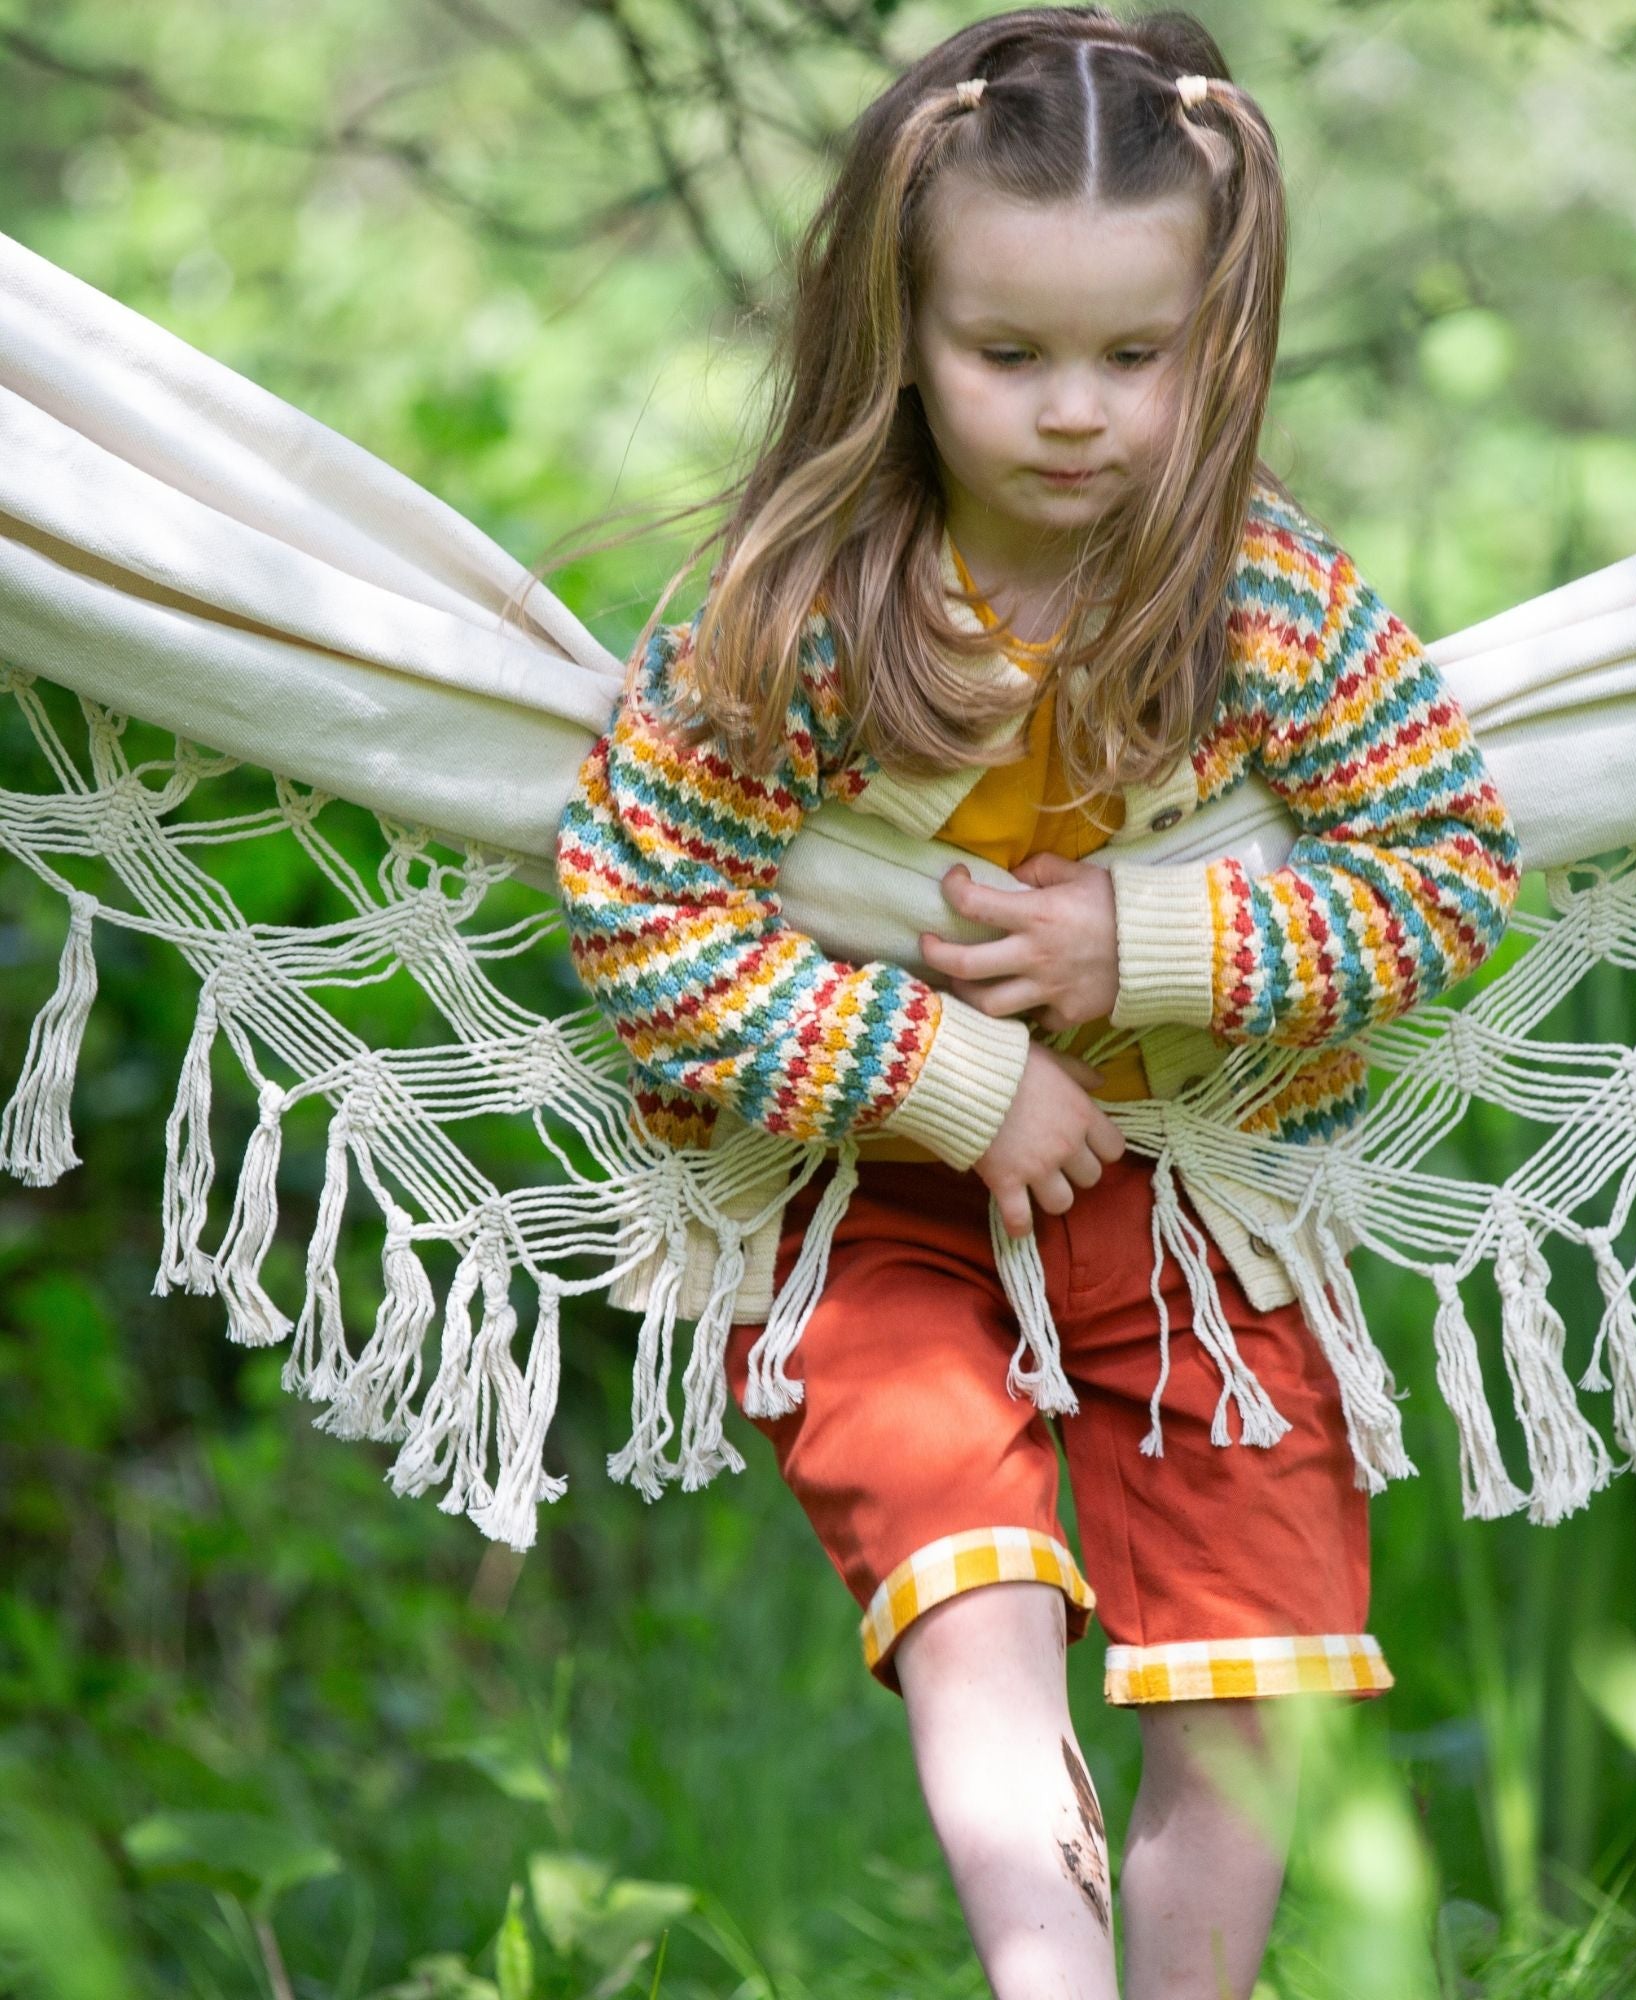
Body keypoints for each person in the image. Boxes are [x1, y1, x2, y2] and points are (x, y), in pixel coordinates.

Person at [555, 7, 1521, 1993]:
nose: (1076, 413)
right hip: (873, 1196)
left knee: (1253, 1671)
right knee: (970, 1603)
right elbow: (640, 906)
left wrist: (1137, 949)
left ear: (1212, 343)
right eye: (1009, 356)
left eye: (1132, 358)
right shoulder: (805, 613)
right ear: (900, 338)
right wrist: (951, 1077)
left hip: (1194, 1191)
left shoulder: (1265, 604)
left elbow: (1447, 868)